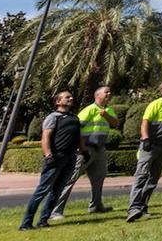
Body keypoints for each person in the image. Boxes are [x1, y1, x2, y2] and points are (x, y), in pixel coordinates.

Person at [20, 90, 84, 231]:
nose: (70, 98)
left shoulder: (74, 118)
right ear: (58, 101)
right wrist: (48, 155)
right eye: (67, 97)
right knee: (42, 190)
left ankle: (43, 220)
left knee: (57, 191)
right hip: (56, 157)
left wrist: (82, 151)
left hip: (70, 157)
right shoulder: (53, 117)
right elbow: (46, 137)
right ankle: (26, 223)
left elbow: (79, 137)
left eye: (71, 96)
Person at [52, 86, 119, 218]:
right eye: (106, 92)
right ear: (97, 95)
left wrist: (106, 115)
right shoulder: (90, 109)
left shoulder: (108, 110)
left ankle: (96, 205)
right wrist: (79, 147)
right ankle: (55, 210)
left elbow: (115, 123)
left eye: (110, 92)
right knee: (70, 178)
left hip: (99, 149)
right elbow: (75, 128)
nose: (109, 94)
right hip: (85, 149)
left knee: (99, 178)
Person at [126, 80, 162, 223]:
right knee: (141, 176)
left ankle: (143, 207)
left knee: (153, 180)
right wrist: (145, 139)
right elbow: (145, 121)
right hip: (150, 146)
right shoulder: (156, 104)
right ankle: (133, 208)